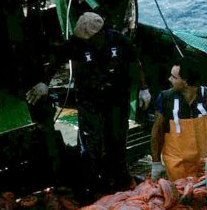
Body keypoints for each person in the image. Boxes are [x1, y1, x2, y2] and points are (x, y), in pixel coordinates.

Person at [31, 12, 152, 200]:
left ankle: (119, 178)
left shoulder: (119, 40)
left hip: (116, 101)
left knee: (117, 139)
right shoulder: (77, 43)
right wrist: (44, 83)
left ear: (99, 33)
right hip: (90, 102)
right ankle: (92, 184)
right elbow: (57, 58)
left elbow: (135, 62)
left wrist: (144, 88)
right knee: (91, 144)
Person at [151, 62, 207, 181]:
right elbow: (157, 131)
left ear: (186, 82)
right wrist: (156, 163)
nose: (169, 79)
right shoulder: (165, 98)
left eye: (174, 77)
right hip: (177, 167)